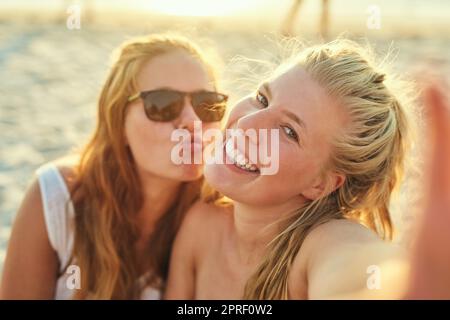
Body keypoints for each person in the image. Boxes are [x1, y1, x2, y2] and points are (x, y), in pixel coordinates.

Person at [165, 39, 416, 299]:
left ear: (321, 184)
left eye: (288, 131)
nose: (247, 124)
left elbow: (354, 265)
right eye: (262, 99)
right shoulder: (201, 226)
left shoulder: (320, 246)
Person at [0, 34, 227, 299]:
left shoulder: (221, 216)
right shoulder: (58, 197)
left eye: (207, 104)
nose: (192, 121)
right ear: (118, 123)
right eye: (163, 104)